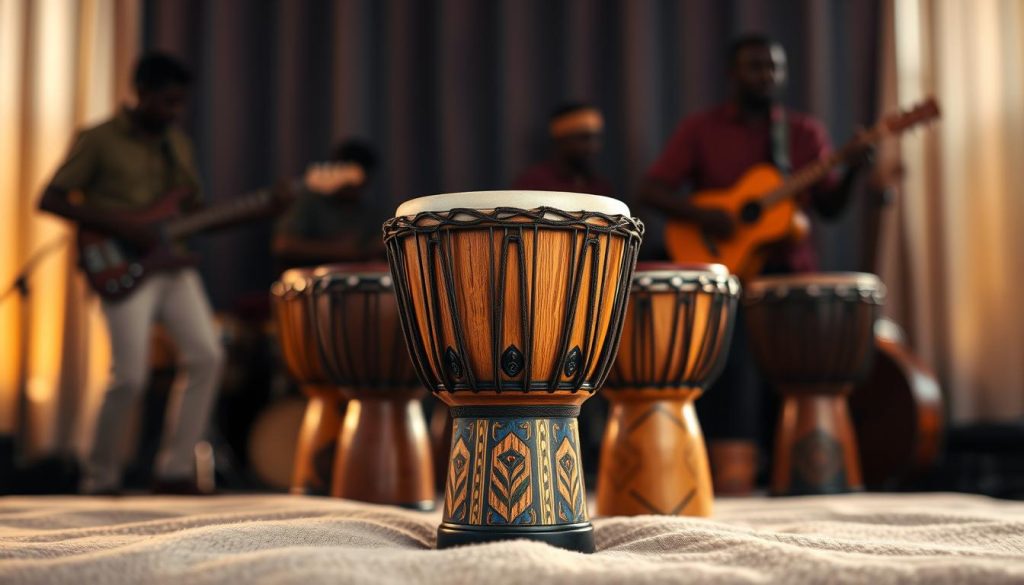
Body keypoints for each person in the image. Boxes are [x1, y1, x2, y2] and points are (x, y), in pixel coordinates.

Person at [637, 34, 872, 489]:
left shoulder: (803, 134)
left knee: (788, 359)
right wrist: (706, 215)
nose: (767, 76)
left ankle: (796, 467)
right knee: (731, 364)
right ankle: (730, 469)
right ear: (732, 73)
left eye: (775, 67)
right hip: (724, 273)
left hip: (787, 273)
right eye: (756, 67)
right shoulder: (701, 130)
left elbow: (829, 208)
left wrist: (856, 170)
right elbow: (651, 191)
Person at [39, 52, 223, 495]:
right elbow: (51, 198)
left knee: (207, 356)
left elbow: (190, 206)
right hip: (121, 262)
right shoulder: (99, 139)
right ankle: (99, 477)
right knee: (130, 376)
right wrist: (123, 225)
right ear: (140, 92)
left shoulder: (177, 144)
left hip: (172, 261)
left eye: (180, 103)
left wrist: (256, 210)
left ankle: (175, 470)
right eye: (166, 101)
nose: (174, 111)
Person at [272, 139, 384, 268]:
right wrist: (337, 250)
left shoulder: (367, 209)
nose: (357, 187)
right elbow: (282, 245)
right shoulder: (308, 200)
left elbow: (374, 244)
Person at [513, 103, 613, 196]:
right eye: (584, 138)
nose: (594, 146)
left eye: (597, 138)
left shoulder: (600, 186)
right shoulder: (533, 183)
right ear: (561, 140)